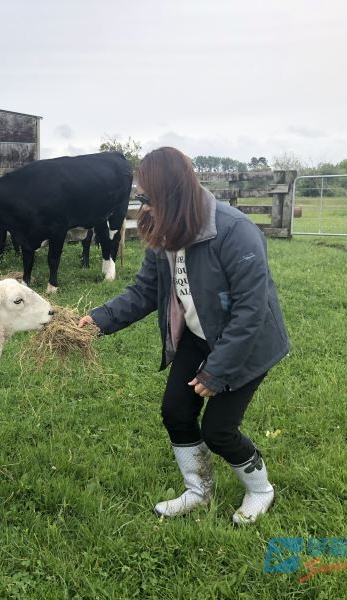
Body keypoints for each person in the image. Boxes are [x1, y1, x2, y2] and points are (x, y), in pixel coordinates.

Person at [78, 147, 290, 525]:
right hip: (198, 334)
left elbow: (250, 311)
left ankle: (261, 490)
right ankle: (199, 489)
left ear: (171, 195)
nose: (143, 207)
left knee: (219, 430)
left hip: (248, 342)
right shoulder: (165, 230)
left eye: (147, 198)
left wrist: (217, 371)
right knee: (176, 411)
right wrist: (100, 319)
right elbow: (145, 291)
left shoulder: (234, 231)